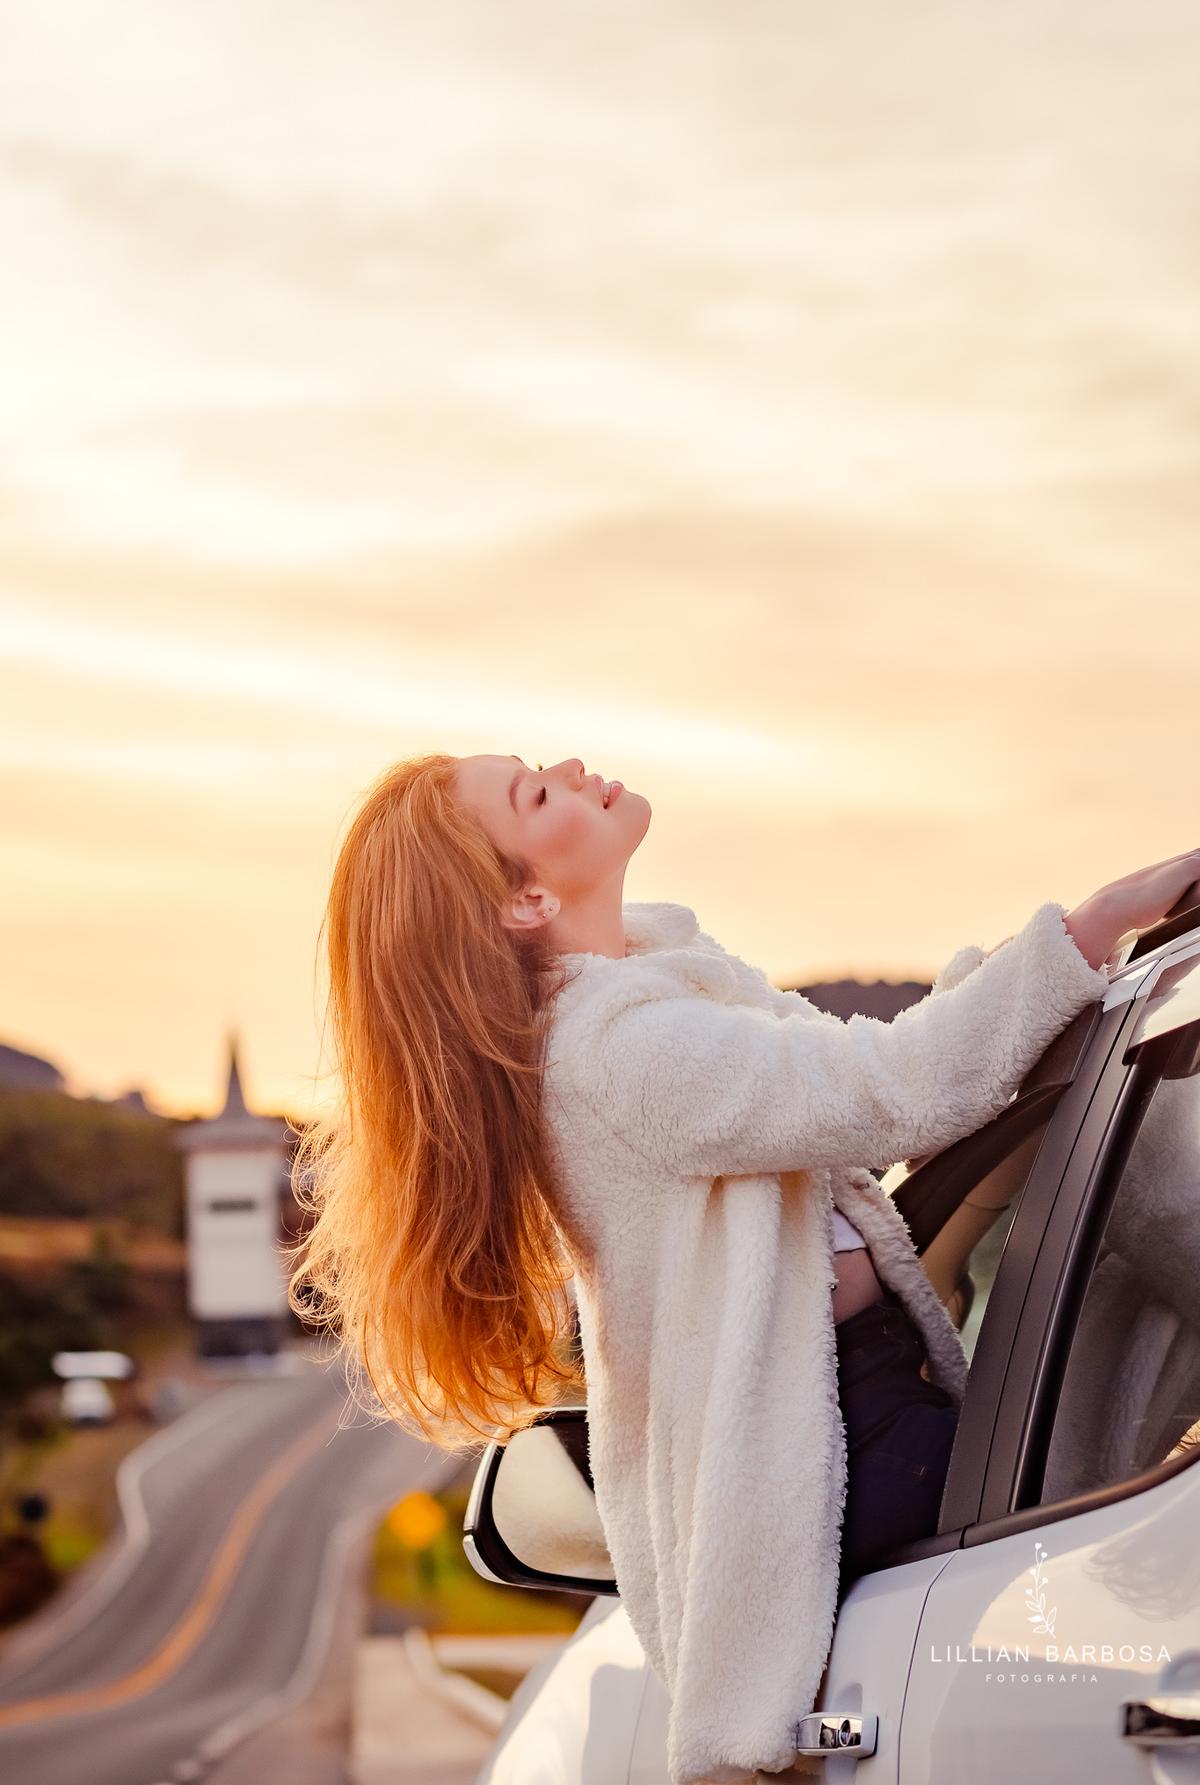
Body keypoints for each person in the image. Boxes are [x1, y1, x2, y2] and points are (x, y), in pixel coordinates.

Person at [292, 752, 1198, 1785]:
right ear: (529, 898)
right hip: (843, 1450)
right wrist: (1092, 926)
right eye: (537, 794)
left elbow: (860, 1074)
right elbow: (892, 1089)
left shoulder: (663, 986)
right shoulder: (614, 1053)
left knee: (1133, 1261)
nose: (571, 767)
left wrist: (1037, 977)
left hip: (870, 1410)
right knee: (1136, 1275)